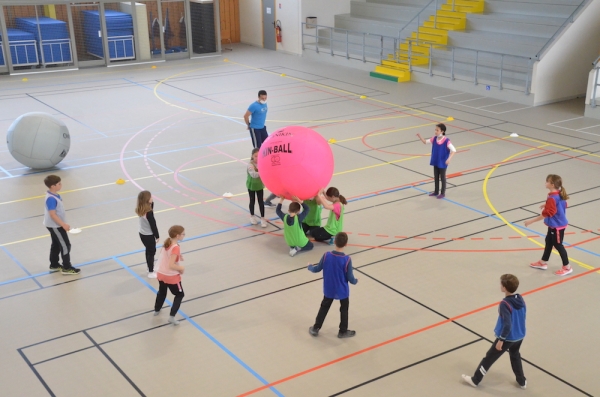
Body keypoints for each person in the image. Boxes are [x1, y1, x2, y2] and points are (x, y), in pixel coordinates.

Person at [462, 274, 527, 389]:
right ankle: (522, 381)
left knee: (489, 358)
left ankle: (475, 380)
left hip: (508, 337)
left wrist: (501, 340)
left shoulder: (505, 304)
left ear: (505, 288)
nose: (500, 285)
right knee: (515, 356)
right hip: (519, 335)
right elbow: (523, 316)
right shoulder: (520, 299)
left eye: (501, 284)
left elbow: (507, 324)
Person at [308, 232, 358, 338]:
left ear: (334, 242)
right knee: (344, 309)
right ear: (346, 244)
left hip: (329, 289)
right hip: (342, 290)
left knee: (324, 307)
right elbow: (350, 277)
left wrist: (310, 267)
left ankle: (316, 328)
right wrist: (355, 281)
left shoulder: (326, 255)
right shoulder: (347, 259)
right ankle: (342, 331)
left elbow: (317, 269)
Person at [524, 174, 572, 276]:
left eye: (547, 181)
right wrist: (546, 204)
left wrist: (531, 221)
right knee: (549, 242)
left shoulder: (553, 197)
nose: (545, 183)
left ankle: (567, 267)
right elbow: (562, 204)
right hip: (553, 225)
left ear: (552, 184)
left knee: (558, 245)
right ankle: (543, 262)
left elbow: (546, 214)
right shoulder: (557, 194)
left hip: (558, 226)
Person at [244, 90, 276, 206]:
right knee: (257, 148)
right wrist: (249, 125)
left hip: (262, 127)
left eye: (265, 97)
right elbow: (246, 115)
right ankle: (255, 163)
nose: (264, 99)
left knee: (266, 145)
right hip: (255, 128)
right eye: (262, 98)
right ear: (258, 97)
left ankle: (264, 161)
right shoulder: (254, 105)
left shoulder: (265, 104)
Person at [43, 175, 80, 275]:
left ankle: (54, 264)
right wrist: (63, 224)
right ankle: (67, 267)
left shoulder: (55, 195)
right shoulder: (51, 199)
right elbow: (52, 214)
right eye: (59, 183)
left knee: (56, 245)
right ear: (52, 186)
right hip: (55, 226)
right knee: (65, 245)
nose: (61, 185)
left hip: (55, 225)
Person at [154, 225, 186, 325]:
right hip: (170, 276)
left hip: (161, 274)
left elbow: (165, 257)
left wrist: (178, 256)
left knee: (162, 291)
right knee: (180, 294)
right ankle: (172, 317)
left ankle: (157, 310)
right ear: (177, 235)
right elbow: (171, 265)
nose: (184, 236)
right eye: (183, 234)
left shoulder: (167, 243)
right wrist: (181, 268)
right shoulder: (175, 247)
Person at [416, 123, 456, 199]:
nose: (435, 131)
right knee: (436, 177)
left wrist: (449, 159)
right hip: (436, 161)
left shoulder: (446, 140)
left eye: (437, 130)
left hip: (443, 162)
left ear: (442, 131)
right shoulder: (434, 138)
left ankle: (442, 192)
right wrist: (420, 137)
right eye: (435, 130)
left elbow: (454, 150)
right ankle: (436, 191)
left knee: (442, 177)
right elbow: (425, 142)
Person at [136, 191, 160, 278]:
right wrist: (157, 236)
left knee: (148, 251)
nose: (152, 198)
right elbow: (153, 225)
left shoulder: (141, 208)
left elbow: (151, 207)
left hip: (142, 233)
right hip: (148, 235)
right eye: (150, 197)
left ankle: (149, 267)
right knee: (151, 252)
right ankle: (151, 272)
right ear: (147, 200)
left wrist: (151, 202)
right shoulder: (149, 213)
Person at [247, 148, 268, 228]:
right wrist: (263, 172)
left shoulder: (261, 163)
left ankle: (263, 218)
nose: (257, 158)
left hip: (259, 185)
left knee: (261, 202)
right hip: (251, 186)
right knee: (252, 201)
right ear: (252, 156)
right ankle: (252, 216)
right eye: (255, 156)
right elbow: (253, 175)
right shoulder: (250, 165)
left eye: (258, 156)